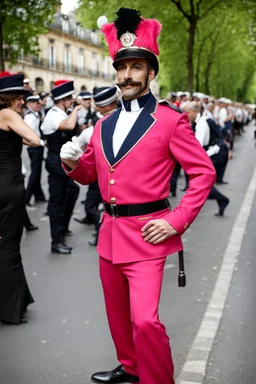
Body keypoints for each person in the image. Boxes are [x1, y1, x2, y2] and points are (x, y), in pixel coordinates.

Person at [60, 8, 216, 384]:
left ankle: (159, 379)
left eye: (135, 67)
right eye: (122, 67)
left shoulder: (170, 120)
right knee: (117, 317)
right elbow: (92, 175)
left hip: (148, 234)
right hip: (109, 236)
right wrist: (70, 164)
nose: (127, 75)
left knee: (144, 320)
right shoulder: (103, 125)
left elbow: (203, 173)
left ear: (150, 72)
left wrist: (176, 220)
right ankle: (130, 368)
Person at [0, 72, 41, 324]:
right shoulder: (8, 114)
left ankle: (16, 301)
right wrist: (26, 139)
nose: (23, 102)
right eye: (20, 98)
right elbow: (35, 139)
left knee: (4, 242)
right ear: (11, 98)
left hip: (2, 184)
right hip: (10, 185)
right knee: (9, 246)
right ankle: (9, 309)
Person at [41, 80, 81, 254]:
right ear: (62, 100)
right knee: (57, 201)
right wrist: (78, 110)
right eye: (70, 98)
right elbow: (68, 126)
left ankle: (62, 228)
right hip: (55, 161)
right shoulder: (54, 114)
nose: (72, 101)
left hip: (63, 161)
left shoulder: (63, 112)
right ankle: (56, 241)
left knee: (71, 191)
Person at [75, 86, 119, 246]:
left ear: (107, 106)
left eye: (98, 105)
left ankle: (100, 231)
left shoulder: (100, 126)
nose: (95, 107)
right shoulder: (102, 124)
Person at [23, 92, 47, 205]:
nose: (39, 105)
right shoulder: (29, 117)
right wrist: (38, 143)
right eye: (36, 103)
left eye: (39, 103)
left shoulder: (35, 115)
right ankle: (26, 198)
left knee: (37, 172)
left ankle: (39, 196)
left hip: (37, 147)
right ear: (29, 104)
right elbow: (26, 134)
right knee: (35, 173)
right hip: (35, 147)